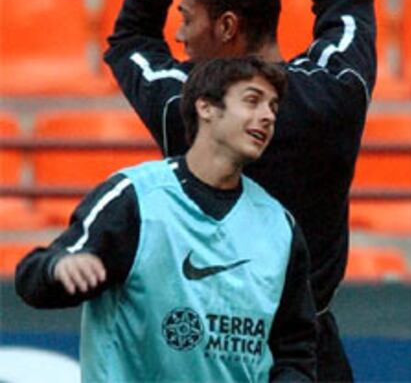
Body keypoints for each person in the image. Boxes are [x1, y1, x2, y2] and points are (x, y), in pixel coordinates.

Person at [104, 0, 377, 381]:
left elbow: (130, 40)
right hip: (314, 350)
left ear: (226, 26)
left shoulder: (187, 106)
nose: (179, 36)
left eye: (186, 20)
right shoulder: (335, 91)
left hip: (211, 352)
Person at [16, 56, 316, 382]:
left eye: (273, 106)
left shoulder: (278, 226)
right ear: (206, 108)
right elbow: (32, 279)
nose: (268, 116)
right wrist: (58, 268)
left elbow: (294, 349)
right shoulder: (136, 198)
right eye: (252, 101)